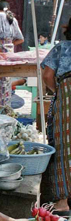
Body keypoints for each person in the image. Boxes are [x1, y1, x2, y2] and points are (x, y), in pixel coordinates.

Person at [40, 28, 71, 211]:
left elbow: (47, 76)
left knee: (64, 147)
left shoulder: (61, 49)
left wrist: (59, 92)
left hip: (66, 103)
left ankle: (63, 201)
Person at [0, 1, 25, 106]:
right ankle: (5, 106)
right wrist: (9, 44)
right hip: (9, 53)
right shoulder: (13, 19)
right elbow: (21, 39)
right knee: (6, 81)